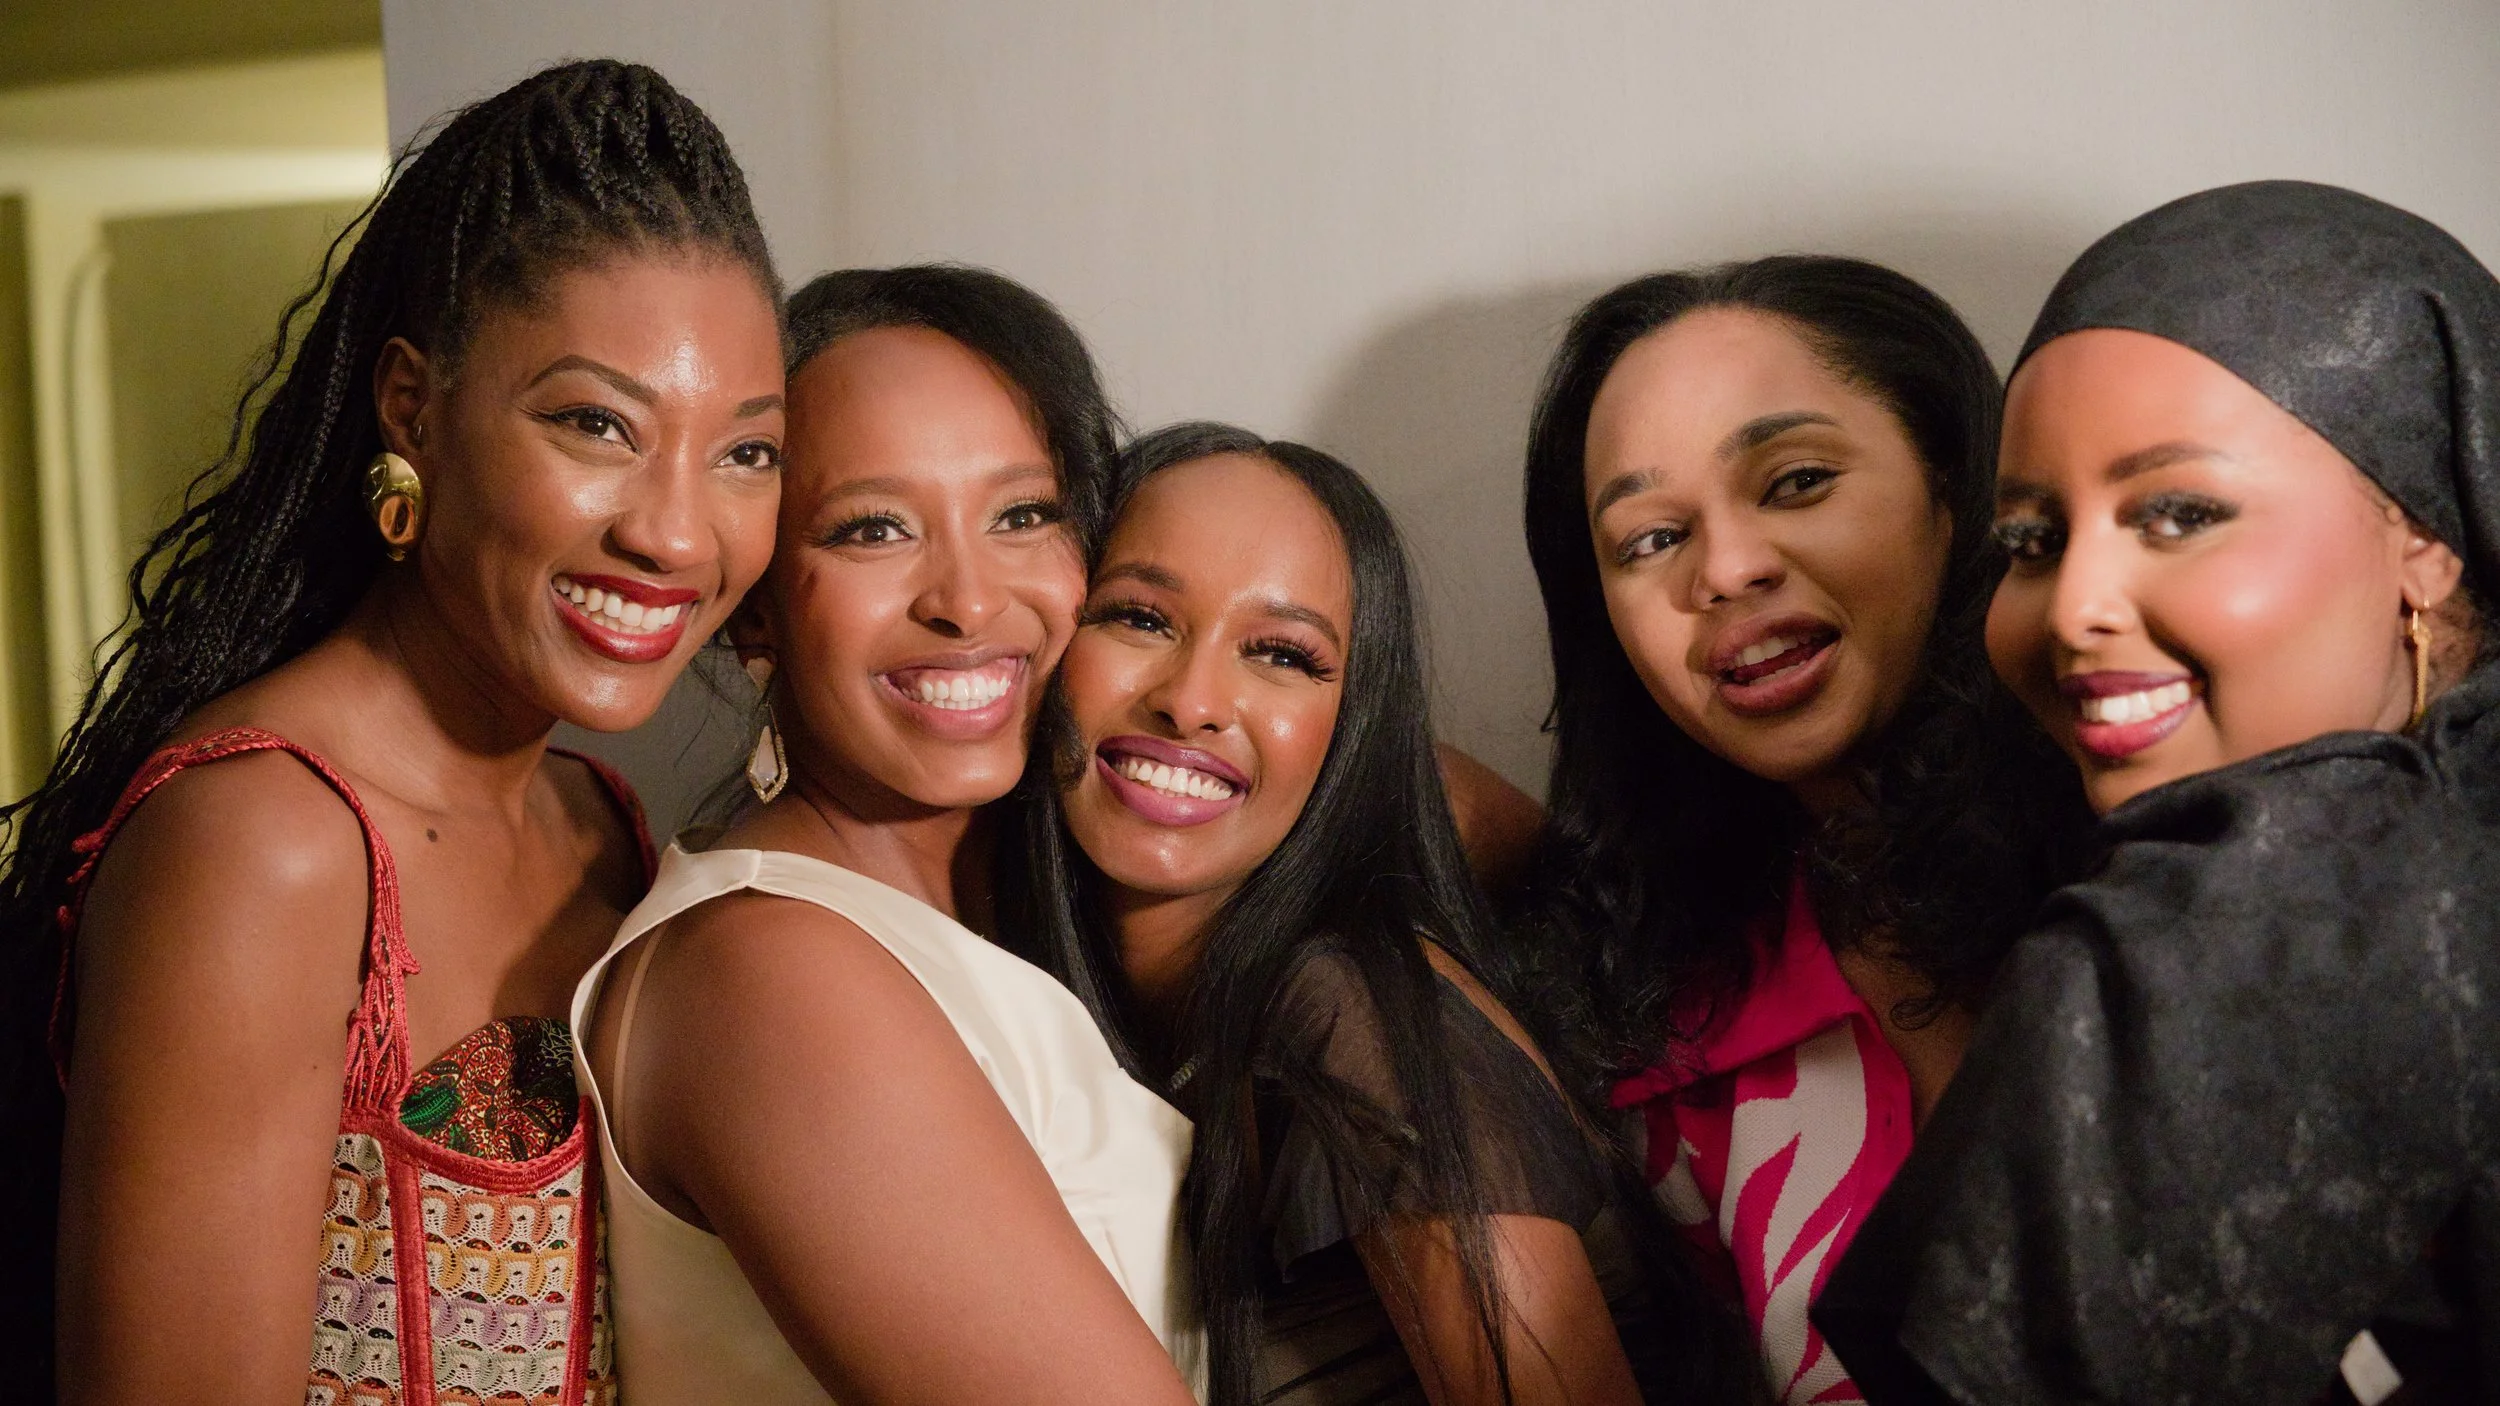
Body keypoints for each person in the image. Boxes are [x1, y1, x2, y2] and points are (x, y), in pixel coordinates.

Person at [0, 60, 785, 1402]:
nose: (675, 531)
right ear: (413, 405)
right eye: (597, 423)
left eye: (746, 452)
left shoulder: (604, 823)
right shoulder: (265, 842)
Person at [1815, 180, 2500, 1406]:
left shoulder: (2231, 921)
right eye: (2029, 540)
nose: (2073, 602)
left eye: (2177, 512)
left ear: (2425, 533)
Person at [1002, 422, 1754, 1406]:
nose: (1191, 700)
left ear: (1348, 727)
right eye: (1140, 617)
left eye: (1280, 652)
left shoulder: (1349, 1013)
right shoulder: (1080, 1011)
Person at [572, 265, 1203, 1404]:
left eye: (1022, 514)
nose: (966, 599)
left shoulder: (1018, 899)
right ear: (755, 604)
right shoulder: (765, 973)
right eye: (874, 529)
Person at [1512, 257, 2086, 1405]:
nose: (1725, 570)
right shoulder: (1677, 1058)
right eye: (1648, 540)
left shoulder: (2169, 856)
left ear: (1951, 487)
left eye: (1796, 479)